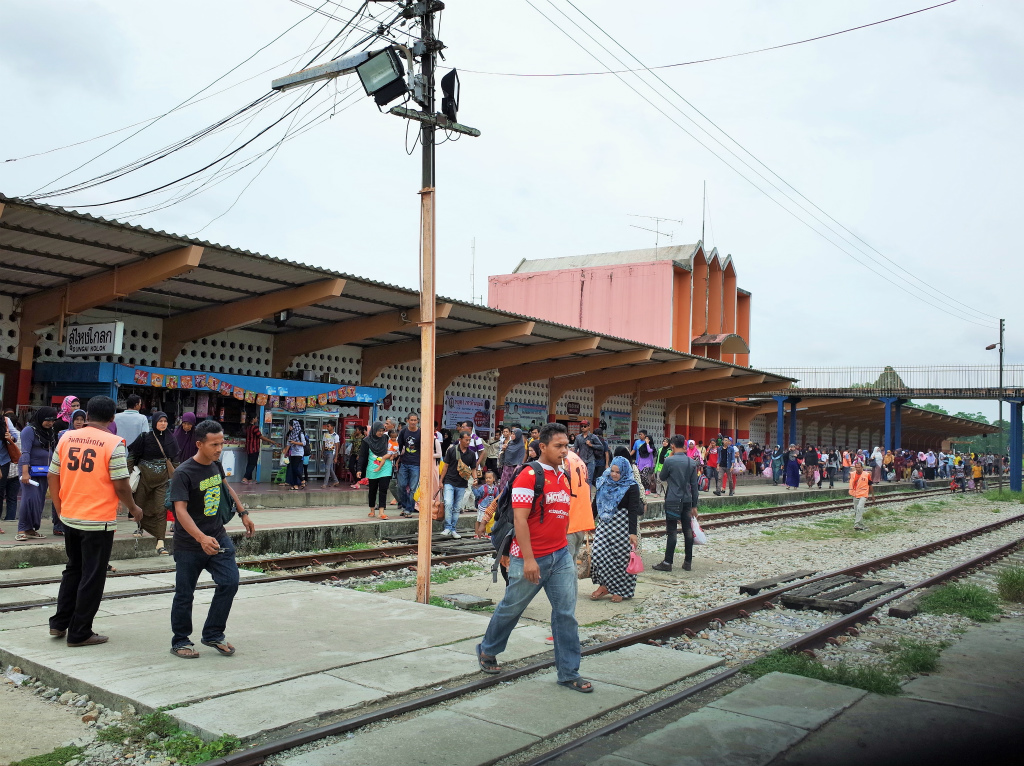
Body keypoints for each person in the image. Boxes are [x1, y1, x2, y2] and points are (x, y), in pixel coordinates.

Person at [476, 424, 591, 693]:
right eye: (559, 446)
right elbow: (520, 519)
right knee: (512, 608)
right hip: (530, 557)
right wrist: (529, 559)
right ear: (543, 447)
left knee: (565, 614)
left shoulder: (563, 476)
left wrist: (564, 549)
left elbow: (561, 517)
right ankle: (488, 649)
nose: (565, 451)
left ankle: (568, 672)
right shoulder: (528, 475)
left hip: (560, 555)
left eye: (567, 446)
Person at [48, 395, 143, 647]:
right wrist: (133, 508)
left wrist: (59, 508)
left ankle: (59, 623)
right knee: (93, 575)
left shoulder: (66, 437)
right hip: (98, 520)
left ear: (87, 415)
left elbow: (52, 475)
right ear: (112, 419)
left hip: (70, 515)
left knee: (73, 569)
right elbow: (122, 484)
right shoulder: (114, 443)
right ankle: (80, 632)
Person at [167, 419, 255, 659]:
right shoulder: (183, 473)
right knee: (185, 594)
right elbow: (180, 511)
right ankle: (181, 640)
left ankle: (214, 633)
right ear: (199, 444)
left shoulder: (215, 465)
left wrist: (243, 513)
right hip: (189, 544)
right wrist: (200, 537)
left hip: (217, 537)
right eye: (214, 444)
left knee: (230, 582)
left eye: (221, 443)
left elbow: (226, 487)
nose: (219, 449)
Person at [589, 455, 641, 602]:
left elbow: (633, 510)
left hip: (622, 526)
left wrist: (633, 532)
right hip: (605, 524)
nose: (614, 474)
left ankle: (620, 590)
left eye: (618, 472)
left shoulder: (631, 486)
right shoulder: (604, 481)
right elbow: (596, 503)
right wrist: (589, 520)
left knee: (621, 558)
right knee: (598, 553)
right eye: (612, 471)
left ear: (624, 471)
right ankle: (604, 585)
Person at [127, 411, 179, 555]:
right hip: (144, 479)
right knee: (140, 505)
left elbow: (175, 460)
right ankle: (140, 526)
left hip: (162, 481)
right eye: (160, 421)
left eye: (165, 421)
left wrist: (179, 478)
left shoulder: (171, 439)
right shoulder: (145, 437)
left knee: (160, 509)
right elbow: (132, 456)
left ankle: (160, 542)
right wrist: (126, 475)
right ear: (155, 422)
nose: (163, 424)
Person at [654, 435, 702, 572]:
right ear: (685, 446)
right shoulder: (691, 463)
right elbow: (694, 486)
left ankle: (668, 562)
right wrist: (694, 505)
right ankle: (688, 562)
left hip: (672, 499)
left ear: (673, 446)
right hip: (687, 500)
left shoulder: (669, 461)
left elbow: (662, 477)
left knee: (672, 531)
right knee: (687, 530)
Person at [16, 407, 58, 541]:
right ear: (40, 417)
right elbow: (25, 452)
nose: (50, 423)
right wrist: (25, 472)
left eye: (53, 421)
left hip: (44, 471)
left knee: (39, 501)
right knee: (29, 499)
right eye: (48, 420)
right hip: (29, 470)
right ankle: (21, 529)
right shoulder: (29, 430)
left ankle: (31, 529)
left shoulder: (50, 432)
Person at [441, 430, 477, 538]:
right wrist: (440, 481)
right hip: (449, 481)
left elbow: (474, 468)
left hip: (462, 483)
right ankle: (447, 527)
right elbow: (445, 466)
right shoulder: (452, 450)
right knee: (448, 503)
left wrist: (475, 478)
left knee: (457, 507)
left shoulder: (471, 454)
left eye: (469, 440)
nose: (468, 442)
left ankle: (453, 528)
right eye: (466, 440)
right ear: (460, 440)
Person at [357, 421, 396, 519]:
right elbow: (362, 456)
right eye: (379, 431)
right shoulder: (366, 441)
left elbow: (393, 447)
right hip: (372, 468)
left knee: (383, 489)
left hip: (385, 467)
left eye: (382, 431)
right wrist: (359, 469)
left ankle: (381, 512)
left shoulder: (386, 438)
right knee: (372, 490)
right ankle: (372, 510)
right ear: (374, 430)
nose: (381, 433)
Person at [563, 447, 594, 565]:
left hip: (569, 521)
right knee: (572, 563)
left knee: (565, 567)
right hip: (580, 520)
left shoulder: (564, 461)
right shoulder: (576, 458)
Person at [396, 414, 422, 517]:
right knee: (401, 486)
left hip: (416, 464)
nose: (413, 422)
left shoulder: (421, 433)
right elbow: (399, 446)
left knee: (413, 488)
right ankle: (405, 505)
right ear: (407, 420)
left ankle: (409, 509)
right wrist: (397, 460)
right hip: (404, 462)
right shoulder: (403, 431)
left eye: (415, 420)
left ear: (418, 421)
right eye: (411, 420)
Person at [0, 410, 22, 528]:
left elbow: (16, 437)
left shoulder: (6, 421)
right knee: (11, 498)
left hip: (5, 463)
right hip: (11, 468)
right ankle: (8, 521)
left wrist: (11, 438)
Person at [242, 418, 276, 485]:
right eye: (256, 418)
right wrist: (271, 441)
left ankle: (250, 479)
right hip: (254, 448)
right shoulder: (255, 428)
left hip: (249, 448)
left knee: (250, 463)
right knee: (252, 464)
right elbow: (260, 437)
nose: (257, 419)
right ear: (253, 419)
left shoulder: (248, 427)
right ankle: (245, 478)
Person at [473, 470, 500, 538]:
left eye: (489, 478)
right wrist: (473, 488)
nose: (488, 479)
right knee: (479, 520)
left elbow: (497, 498)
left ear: (493, 479)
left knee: (488, 520)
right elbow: (478, 495)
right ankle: (477, 533)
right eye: (486, 478)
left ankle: (484, 533)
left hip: (491, 507)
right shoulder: (483, 487)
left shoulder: (496, 488)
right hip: (482, 506)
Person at [498, 427, 526, 493]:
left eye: (514, 434)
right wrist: (503, 449)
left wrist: (518, 468)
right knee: (503, 484)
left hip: (514, 469)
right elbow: (503, 454)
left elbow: (521, 458)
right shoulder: (509, 443)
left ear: (518, 435)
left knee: (512, 485)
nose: (512, 435)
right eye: (512, 434)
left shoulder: (521, 446)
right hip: (506, 467)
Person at [848, 461, 872, 531]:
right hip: (855, 493)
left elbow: (870, 484)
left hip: (863, 494)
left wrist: (872, 495)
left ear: (862, 467)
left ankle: (857, 524)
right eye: (856, 467)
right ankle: (861, 525)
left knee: (859, 507)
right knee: (857, 510)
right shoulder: (852, 474)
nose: (857, 469)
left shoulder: (867, 474)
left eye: (859, 467)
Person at [284, 419, 307, 490]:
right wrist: (285, 452)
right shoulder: (291, 434)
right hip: (293, 453)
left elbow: (304, 443)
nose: (289, 427)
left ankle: (302, 480)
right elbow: (288, 443)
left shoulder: (300, 433)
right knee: (293, 469)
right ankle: (295, 485)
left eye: (290, 425)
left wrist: (294, 442)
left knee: (295, 468)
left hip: (299, 453)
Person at [321, 421, 341, 488]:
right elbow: (323, 444)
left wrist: (336, 457)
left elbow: (337, 447)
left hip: (331, 452)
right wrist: (322, 452)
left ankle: (325, 483)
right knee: (330, 468)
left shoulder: (336, 436)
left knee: (327, 468)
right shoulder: (325, 435)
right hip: (325, 452)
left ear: (332, 427)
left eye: (328, 426)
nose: (327, 427)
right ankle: (336, 481)